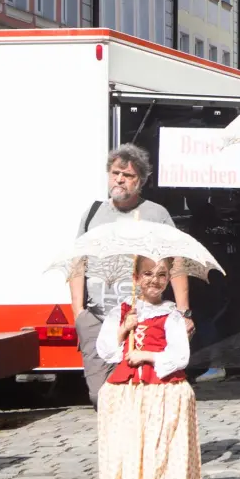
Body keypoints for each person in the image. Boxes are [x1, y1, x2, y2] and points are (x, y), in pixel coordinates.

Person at [69, 145, 191, 406]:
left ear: (142, 180)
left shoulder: (156, 214)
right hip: (97, 317)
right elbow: (78, 263)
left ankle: (132, 441)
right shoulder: (93, 214)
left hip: (141, 316)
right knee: (98, 393)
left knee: (135, 387)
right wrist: (78, 311)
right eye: (115, 173)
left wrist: (183, 311)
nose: (120, 179)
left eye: (128, 175)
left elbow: (176, 263)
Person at [94, 255, 201, 479]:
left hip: (160, 391)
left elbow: (180, 356)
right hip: (126, 392)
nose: (154, 280)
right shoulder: (123, 311)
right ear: (135, 278)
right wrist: (124, 329)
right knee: (130, 450)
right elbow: (106, 350)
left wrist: (147, 355)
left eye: (162, 274)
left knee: (155, 450)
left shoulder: (171, 315)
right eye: (148, 273)